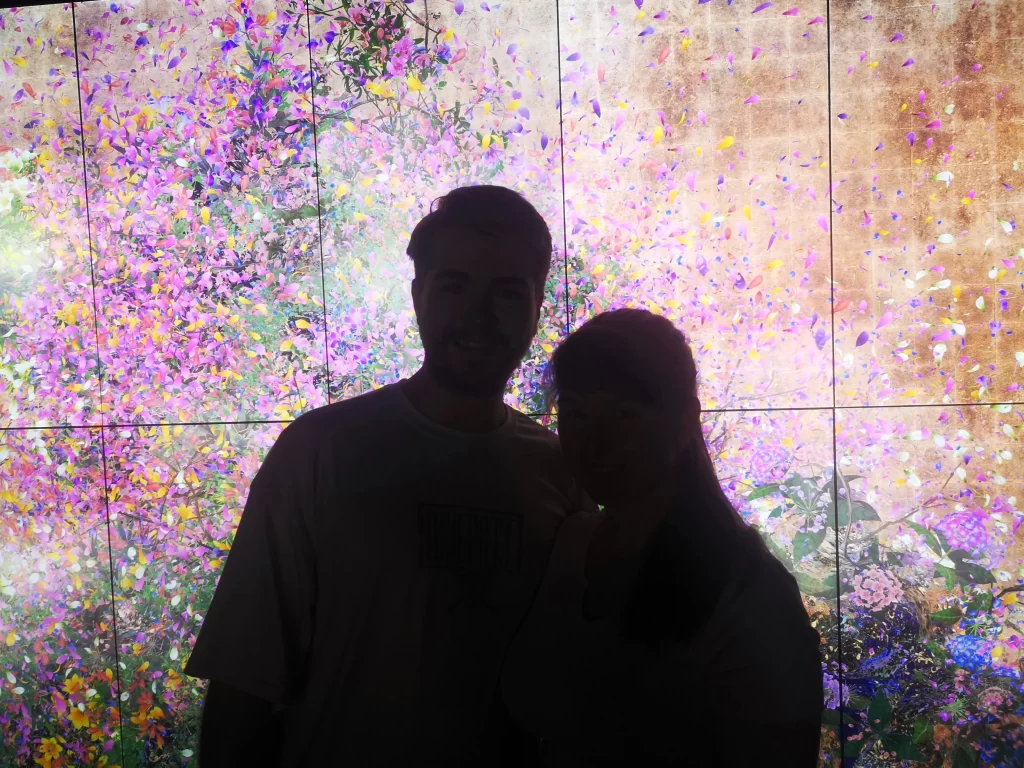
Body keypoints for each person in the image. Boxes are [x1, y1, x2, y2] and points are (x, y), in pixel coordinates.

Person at [184, 184, 585, 766]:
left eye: (505, 291)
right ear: (419, 295)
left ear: (536, 307)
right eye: (454, 285)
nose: (477, 315)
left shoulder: (561, 472)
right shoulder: (320, 453)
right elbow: (244, 685)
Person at [500, 308, 824, 766]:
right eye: (575, 414)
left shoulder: (748, 589)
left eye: (623, 415)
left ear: (684, 420)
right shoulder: (570, 543)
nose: (593, 442)